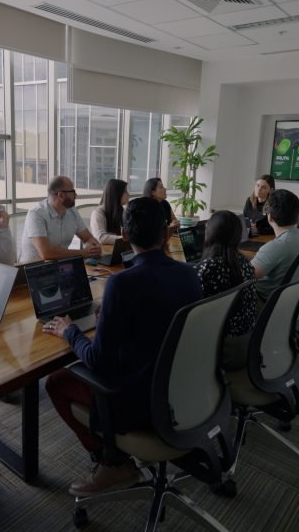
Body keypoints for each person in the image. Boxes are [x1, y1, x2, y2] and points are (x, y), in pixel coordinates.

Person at [43, 197, 202, 497]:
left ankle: (113, 461)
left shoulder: (122, 284)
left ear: (125, 236)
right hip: (184, 390)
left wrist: (70, 331)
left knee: (55, 382)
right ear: (166, 233)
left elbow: (97, 361)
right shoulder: (189, 274)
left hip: (140, 400)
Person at [194, 210, 258, 370]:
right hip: (249, 343)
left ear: (210, 233)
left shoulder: (207, 268)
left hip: (223, 350)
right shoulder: (244, 261)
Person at [19, 175, 102, 263]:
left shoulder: (72, 211)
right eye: (73, 191)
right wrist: (82, 253)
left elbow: (88, 238)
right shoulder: (36, 214)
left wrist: (94, 247)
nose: (76, 195)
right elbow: (47, 253)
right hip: (34, 268)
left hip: (60, 266)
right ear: (61, 195)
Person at [250, 189, 299, 302]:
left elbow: (247, 275)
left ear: (270, 217)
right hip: (293, 299)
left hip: (265, 301)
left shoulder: (276, 247)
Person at [90, 178, 129, 245]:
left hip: (117, 248)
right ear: (116, 194)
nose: (128, 194)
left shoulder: (122, 211)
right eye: (125, 191)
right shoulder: (98, 213)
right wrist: (126, 239)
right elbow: (101, 238)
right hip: (104, 250)